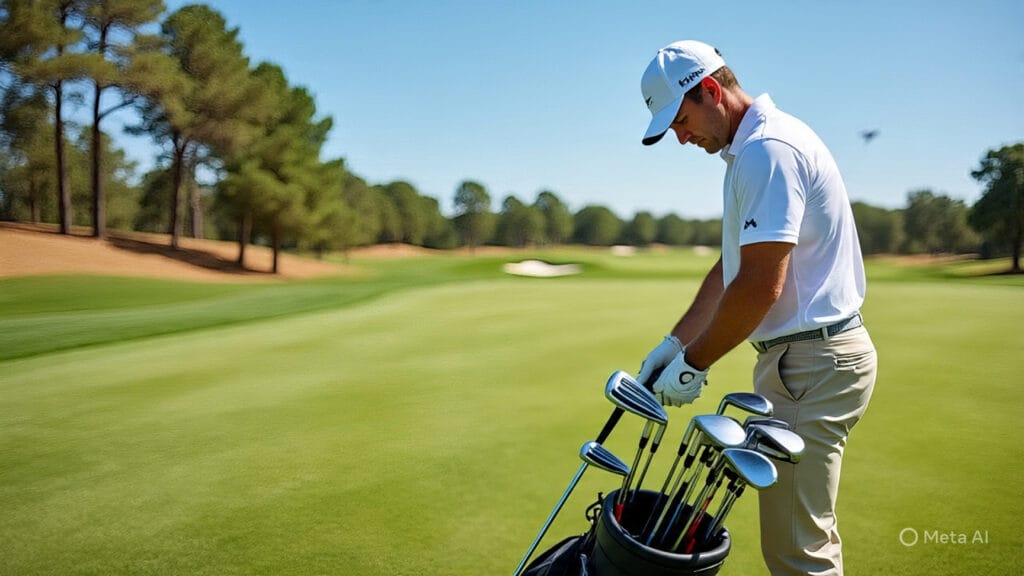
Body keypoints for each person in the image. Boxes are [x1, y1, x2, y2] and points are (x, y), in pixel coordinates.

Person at [634, 40, 878, 576]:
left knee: (796, 553)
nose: (680, 136)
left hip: (812, 366)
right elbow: (732, 272)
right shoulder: (751, 151)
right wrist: (674, 345)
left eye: (679, 120)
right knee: (802, 539)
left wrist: (694, 364)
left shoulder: (769, 150)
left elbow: (761, 286)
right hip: (805, 362)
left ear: (711, 91)